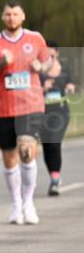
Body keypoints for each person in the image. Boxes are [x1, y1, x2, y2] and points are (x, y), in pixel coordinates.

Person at [0, 0, 52, 225]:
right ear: (2, 17)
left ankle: (28, 202)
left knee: (26, 150)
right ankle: (16, 204)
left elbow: (48, 63)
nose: (11, 18)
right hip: (3, 107)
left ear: (22, 16)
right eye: (7, 14)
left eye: (15, 14)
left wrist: (40, 68)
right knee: (9, 157)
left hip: (30, 105)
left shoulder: (35, 38)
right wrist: (1, 63)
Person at [41, 40, 75, 195]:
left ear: (57, 53)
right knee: (47, 147)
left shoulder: (64, 69)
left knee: (54, 143)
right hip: (42, 112)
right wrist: (43, 87)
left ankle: (55, 181)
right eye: (46, 54)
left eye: (51, 53)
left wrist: (70, 87)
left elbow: (71, 84)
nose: (49, 56)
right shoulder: (39, 72)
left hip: (60, 112)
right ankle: (53, 175)